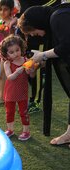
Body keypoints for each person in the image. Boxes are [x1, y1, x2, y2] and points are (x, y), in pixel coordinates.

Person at [18, 3, 70, 146]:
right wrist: (40, 61)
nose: (34, 35)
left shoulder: (58, 17)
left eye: (33, 32)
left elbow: (66, 45)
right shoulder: (54, 19)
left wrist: (43, 55)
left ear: (37, 23)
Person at [0, 35, 35, 141]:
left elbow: (31, 76)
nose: (15, 53)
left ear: (21, 48)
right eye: (11, 52)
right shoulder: (7, 63)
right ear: (6, 54)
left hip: (22, 92)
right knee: (9, 111)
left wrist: (31, 70)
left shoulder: (26, 60)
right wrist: (18, 71)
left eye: (17, 50)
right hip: (10, 92)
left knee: (23, 112)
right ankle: (10, 129)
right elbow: (10, 77)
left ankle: (26, 131)